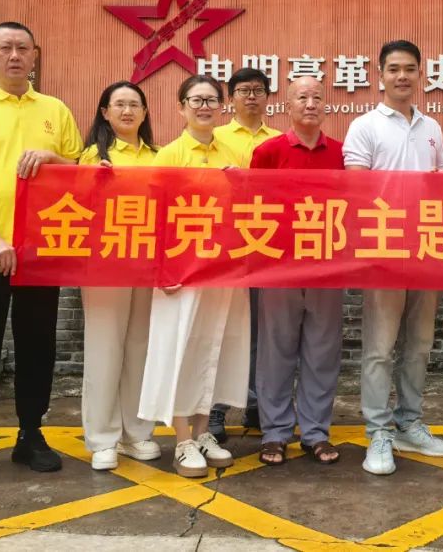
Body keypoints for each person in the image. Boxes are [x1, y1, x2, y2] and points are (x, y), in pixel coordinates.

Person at [0, 22, 83, 485]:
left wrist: (51, 158)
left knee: (37, 344)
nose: (14, 55)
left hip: (42, 245)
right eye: (5, 47)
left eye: (23, 48)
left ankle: (31, 434)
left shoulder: (55, 109)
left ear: (35, 54)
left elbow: (78, 169)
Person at [343, 39, 443, 476]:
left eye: (410, 68)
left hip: (426, 247)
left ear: (420, 73)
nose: (402, 76)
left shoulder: (432, 127)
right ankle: (378, 431)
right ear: (380, 75)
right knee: (380, 347)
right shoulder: (365, 126)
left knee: (420, 343)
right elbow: (357, 189)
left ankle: (410, 422)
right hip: (384, 248)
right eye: (394, 69)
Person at [137, 75, 249, 479]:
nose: (204, 107)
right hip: (179, 271)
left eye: (211, 100)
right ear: (181, 107)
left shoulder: (233, 152)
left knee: (214, 347)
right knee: (179, 350)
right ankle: (182, 439)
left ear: (222, 106)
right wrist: (160, 268)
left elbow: (248, 211)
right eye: (196, 100)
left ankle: (203, 433)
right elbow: (153, 217)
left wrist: (242, 184)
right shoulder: (169, 155)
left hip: (223, 269)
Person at [251, 76, 345, 466]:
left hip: (327, 267)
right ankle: (274, 433)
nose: (310, 104)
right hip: (279, 267)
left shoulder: (340, 152)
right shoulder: (268, 151)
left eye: (317, 97)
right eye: (302, 97)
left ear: (326, 106)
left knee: (322, 351)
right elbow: (253, 206)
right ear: (287, 106)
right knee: (276, 352)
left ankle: (315, 432)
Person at [78, 81, 161, 471]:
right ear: (105, 113)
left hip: (148, 263)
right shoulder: (91, 157)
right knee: (104, 349)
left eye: (134, 105)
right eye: (119, 105)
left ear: (145, 113)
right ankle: (102, 438)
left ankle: (137, 433)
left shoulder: (160, 156)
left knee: (141, 349)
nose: (127, 111)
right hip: (105, 264)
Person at [209, 67, 281, 440]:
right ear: (231, 98)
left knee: (262, 333)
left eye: (257, 90)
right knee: (222, 332)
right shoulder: (214, 137)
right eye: (243, 90)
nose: (251, 97)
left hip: (266, 247)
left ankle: (257, 403)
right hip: (224, 248)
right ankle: (215, 410)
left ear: (267, 96)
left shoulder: (280, 140)